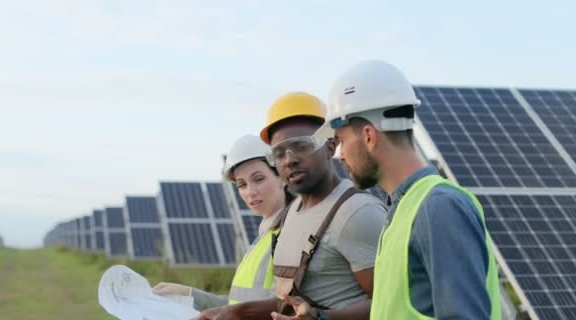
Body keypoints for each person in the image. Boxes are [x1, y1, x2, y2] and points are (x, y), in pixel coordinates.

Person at [276, 60, 502, 320]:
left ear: (369, 136)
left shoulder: (439, 207)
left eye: (342, 141)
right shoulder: (404, 209)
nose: (341, 155)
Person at [197, 92, 387, 320]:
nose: (289, 160)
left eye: (301, 146)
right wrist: (234, 312)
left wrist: (320, 318)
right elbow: (287, 302)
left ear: (330, 145)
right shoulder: (290, 216)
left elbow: (392, 305)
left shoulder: (357, 213)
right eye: (278, 153)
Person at [153, 134, 294, 310]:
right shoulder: (262, 240)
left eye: (259, 179)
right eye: (241, 185)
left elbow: (280, 310)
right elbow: (239, 305)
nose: (250, 192)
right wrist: (189, 293)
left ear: (281, 177)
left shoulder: (293, 235)